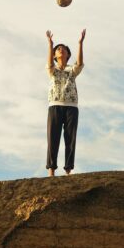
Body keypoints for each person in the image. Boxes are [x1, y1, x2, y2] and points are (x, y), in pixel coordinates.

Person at [45, 28, 85, 176]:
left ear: (68, 55)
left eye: (63, 49)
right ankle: (51, 169)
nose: (60, 50)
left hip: (71, 107)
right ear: (55, 55)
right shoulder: (52, 70)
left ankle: (68, 170)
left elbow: (80, 63)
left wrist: (80, 43)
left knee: (70, 138)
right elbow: (49, 63)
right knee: (52, 138)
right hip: (55, 106)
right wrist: (50, 45)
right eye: (58, 49)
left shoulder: (71, 70)